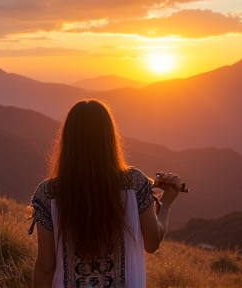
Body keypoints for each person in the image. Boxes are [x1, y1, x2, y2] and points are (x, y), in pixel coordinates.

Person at [29, 99, 182, 288]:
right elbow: (152, 244)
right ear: (110, 137)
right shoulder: (135, 183)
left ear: (68, 139)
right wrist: (165, 204)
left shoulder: (47, 193)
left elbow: (45, 267)